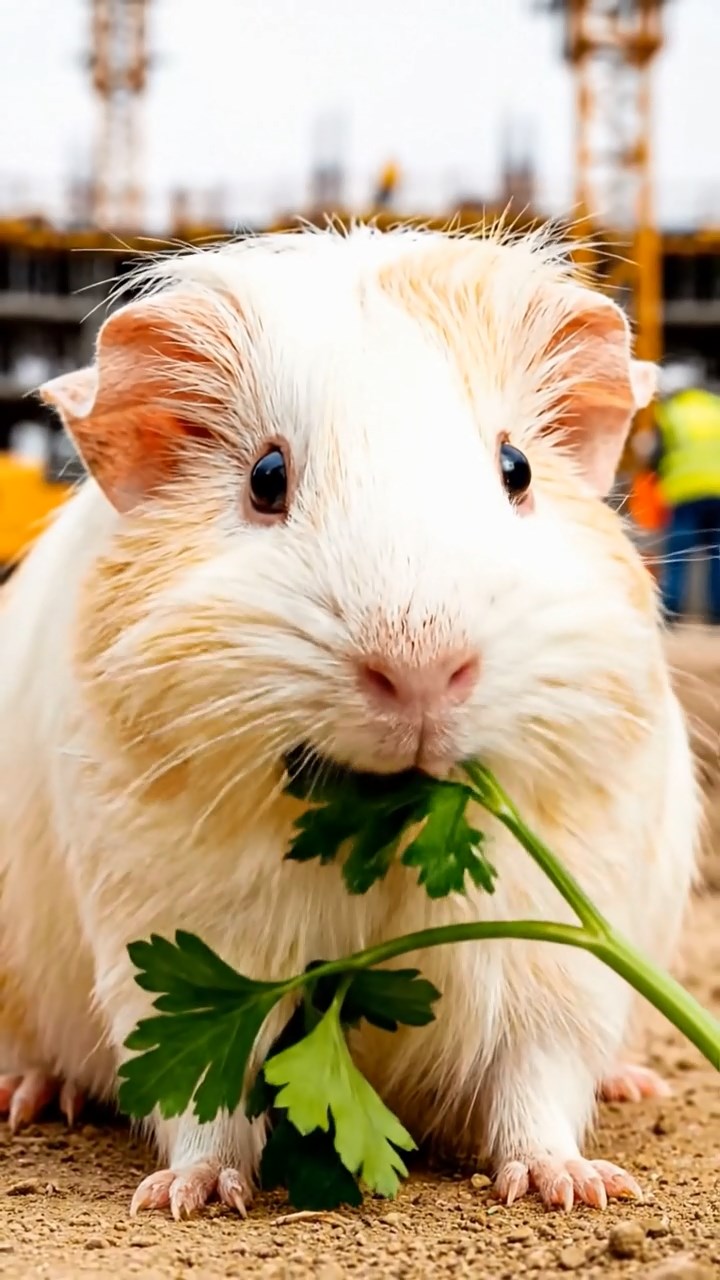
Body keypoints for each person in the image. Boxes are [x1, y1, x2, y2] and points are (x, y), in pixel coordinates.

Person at [652, 375, 720, 624]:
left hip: (685, 491)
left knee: (678, 552)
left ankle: (672, 609)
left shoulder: (672, 413)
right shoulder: (716, 409)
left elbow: (656, 454)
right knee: (718, 554)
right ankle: (717, 613)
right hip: (719, 490)